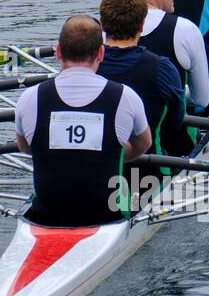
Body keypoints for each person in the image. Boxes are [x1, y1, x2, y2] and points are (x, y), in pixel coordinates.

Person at [14, 15, 151, 227]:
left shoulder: (30, 98)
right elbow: (144, 144)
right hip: (106, 216)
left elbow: (25, 147)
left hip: (47, 216)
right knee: (125, 184)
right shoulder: (126, 96)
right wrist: (111, 154)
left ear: (58, 52)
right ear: (101, 53)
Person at [96, 0, 192, 199]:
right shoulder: (163, 69)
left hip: (96, 174)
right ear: (142, 25)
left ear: (102, 25)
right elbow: (176, 121)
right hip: (147, 175)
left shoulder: (88, 67)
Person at [120, 0, 209, 114]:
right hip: (170, 136)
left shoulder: (105, 30)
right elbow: (202, 99)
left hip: (119, 131)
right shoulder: (185, 29)